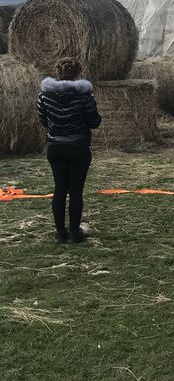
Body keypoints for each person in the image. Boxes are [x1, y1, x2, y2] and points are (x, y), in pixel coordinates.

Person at [36, 57, 101, 244]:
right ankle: (74, 233)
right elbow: (94, 122)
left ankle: (59, 233)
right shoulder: (85, 96)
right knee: (76, 191)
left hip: (55, 147)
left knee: (59, 189)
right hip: (78, 147)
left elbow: (43, 120)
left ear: (58, 71)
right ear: (78, 73)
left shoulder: (44, 96)